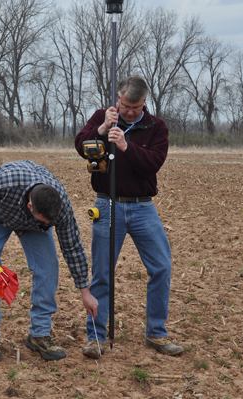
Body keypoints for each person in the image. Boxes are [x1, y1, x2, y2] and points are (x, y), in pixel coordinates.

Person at [74, 76, 182, 358]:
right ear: (118, 98)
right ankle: (95, 337)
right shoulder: (103, 116)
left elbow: (153, 164)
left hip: (143, 207)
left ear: (145, 102)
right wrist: (101, 129)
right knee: (102, 274)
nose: (129, 111)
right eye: (125, 105)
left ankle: (156, 333)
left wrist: (124, 146)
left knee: (161, 266)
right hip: (107, 205)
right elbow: (82, 146)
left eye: (136, 107)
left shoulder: (157, 127)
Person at [0, 160, 98, 363]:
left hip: (33, 226)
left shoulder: (60, 206)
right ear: (30, 205)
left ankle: (39, 334)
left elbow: (72, 246)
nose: (50, 225)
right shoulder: (3, 183)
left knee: (49, 265)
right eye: (46, 221)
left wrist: (85, 291)